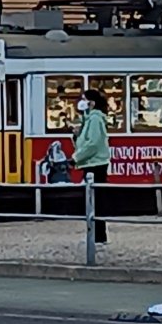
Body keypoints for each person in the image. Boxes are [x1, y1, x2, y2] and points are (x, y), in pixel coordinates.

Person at [72, 89, 111, 244]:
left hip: (95, 164)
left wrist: (75, 158)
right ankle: (95, 235)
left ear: (91, 103)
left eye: (83, 99)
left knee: (96, 201)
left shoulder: (94, 119)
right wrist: (76, 135)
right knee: (93, 200)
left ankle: (98, 236)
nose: (80, 102)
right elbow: (86, 141)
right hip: (92, 163)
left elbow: (93, 144)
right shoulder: (89, 119)